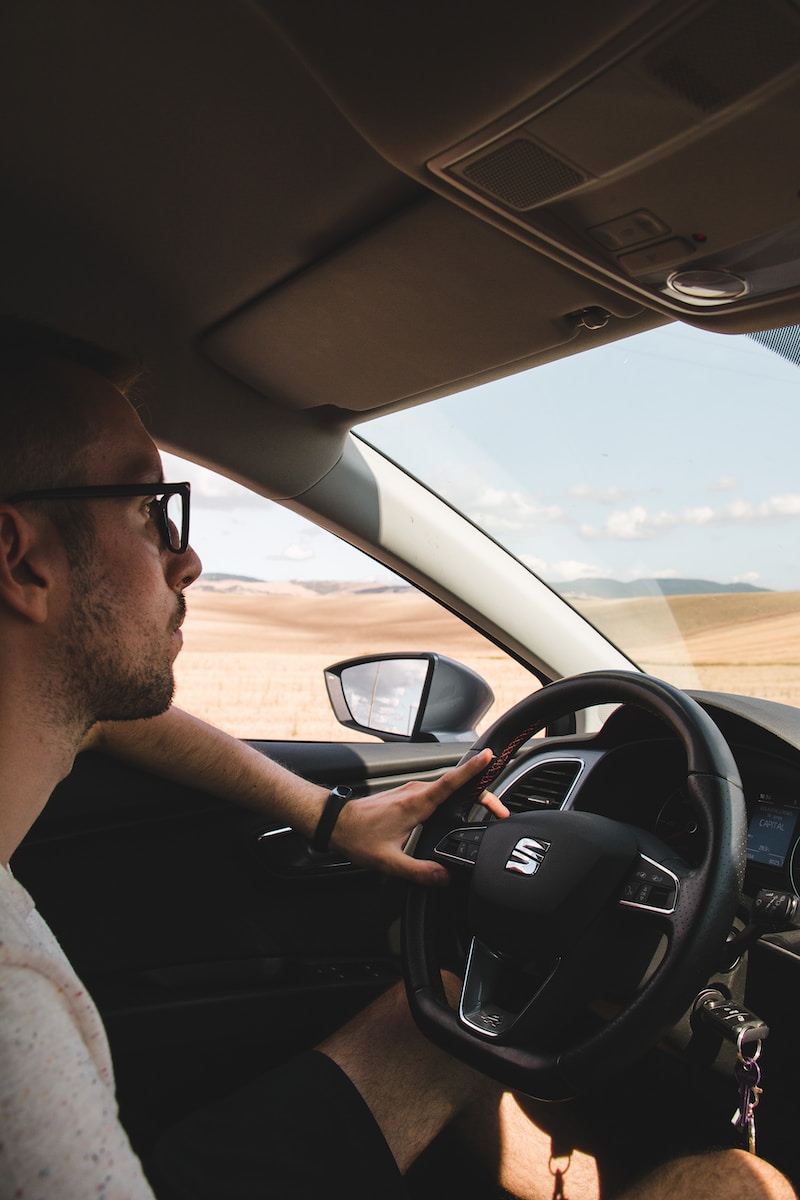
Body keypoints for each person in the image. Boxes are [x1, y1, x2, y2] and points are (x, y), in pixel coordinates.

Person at [0, 315, 795, 1200]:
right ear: (18, 557)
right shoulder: (12, 1008)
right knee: (733, 1182)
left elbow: (111, 719)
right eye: (151, 510)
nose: (187, 559)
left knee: (441, 1022)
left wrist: (330, 815)